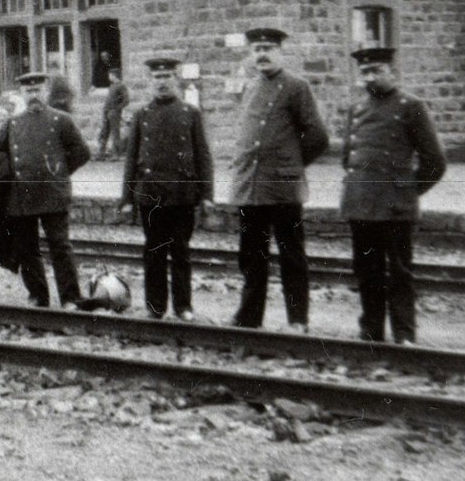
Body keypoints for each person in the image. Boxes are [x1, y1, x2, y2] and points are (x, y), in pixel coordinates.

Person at [341, 47, 447, 344]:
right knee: (366, 272)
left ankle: (404, 334)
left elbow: (435, 161)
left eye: (377, 70)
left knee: (400, 273)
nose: (371, 77)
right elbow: (350, 159)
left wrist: (408, 191)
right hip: (361, 204)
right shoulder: (356, 108)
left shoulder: (411, 106)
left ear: (392, 72)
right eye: (365, 72)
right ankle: (371, 332)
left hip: (395, 206)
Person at [228, 27, 330, 332]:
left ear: (280, 52)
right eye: (257, 48)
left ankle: (297, 321)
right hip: (252, 187)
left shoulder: (297, 87)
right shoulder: (250, 87)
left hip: (284, 188)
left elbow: (318, 137)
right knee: (251, 257)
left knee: (292, 256)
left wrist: (292, 166)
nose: (262, 54)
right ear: (250, 53)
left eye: (268, 48)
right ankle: (249, 317)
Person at [0, 72, 92, 308]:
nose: (34, 95)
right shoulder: (12, 124)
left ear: (46, 92)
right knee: (26, 248)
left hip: (53, 194)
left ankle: (70, 297)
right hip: (22, 195)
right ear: (22, 94)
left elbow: (82, 152)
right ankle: (38, 296)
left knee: (60, 246)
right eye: (29, 91)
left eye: (37, 90)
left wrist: (58, 172)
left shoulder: (62, 120)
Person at [119, 57, 213, 320]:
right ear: (151, 81)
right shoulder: (142, 115)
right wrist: (126, 198)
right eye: (157, 78)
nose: (162, 83)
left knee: (181, 252)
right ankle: (155, 306)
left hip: (183, 194)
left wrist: (207, 195)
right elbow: (131, 159)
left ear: (176, 79)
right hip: (151, 194)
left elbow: (203, 157)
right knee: (154, 251)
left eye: (167, 77)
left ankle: (183, 306)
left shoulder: (190, 113)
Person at [97, 55, 130, 159]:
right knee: (104, 132)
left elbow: (126, 100)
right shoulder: (112, 86)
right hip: (107, 112)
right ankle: (101, 154)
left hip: (114, 112)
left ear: (115, 75)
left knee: (115, 133)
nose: (109, 76)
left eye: (110, 75)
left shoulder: (121, 86)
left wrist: (117, 109)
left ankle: (116, 154)